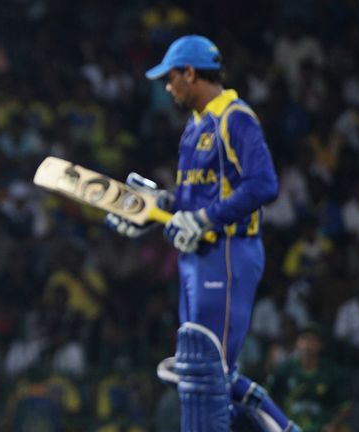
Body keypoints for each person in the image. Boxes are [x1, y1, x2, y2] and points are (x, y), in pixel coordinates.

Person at [105, 35, 300, 431]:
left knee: (209, 374)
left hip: (228, 250)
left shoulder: (234, 116)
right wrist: (152, 206)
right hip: (196, 256)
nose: (167, 86)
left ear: (190, 73)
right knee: (201, 373)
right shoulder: (196, 126)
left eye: (170, 76)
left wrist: (208, 219)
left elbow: (263, 185)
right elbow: (190, 202)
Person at [267, 325, 351, 432]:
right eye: (304, 338)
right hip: (288, 428)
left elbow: (345, 406)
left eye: (313, 340)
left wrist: (333, 425)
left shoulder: (333, 373)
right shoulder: (283, 371)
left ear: (321, 345)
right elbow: (267, 396)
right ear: (297, 343)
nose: (308, 344)